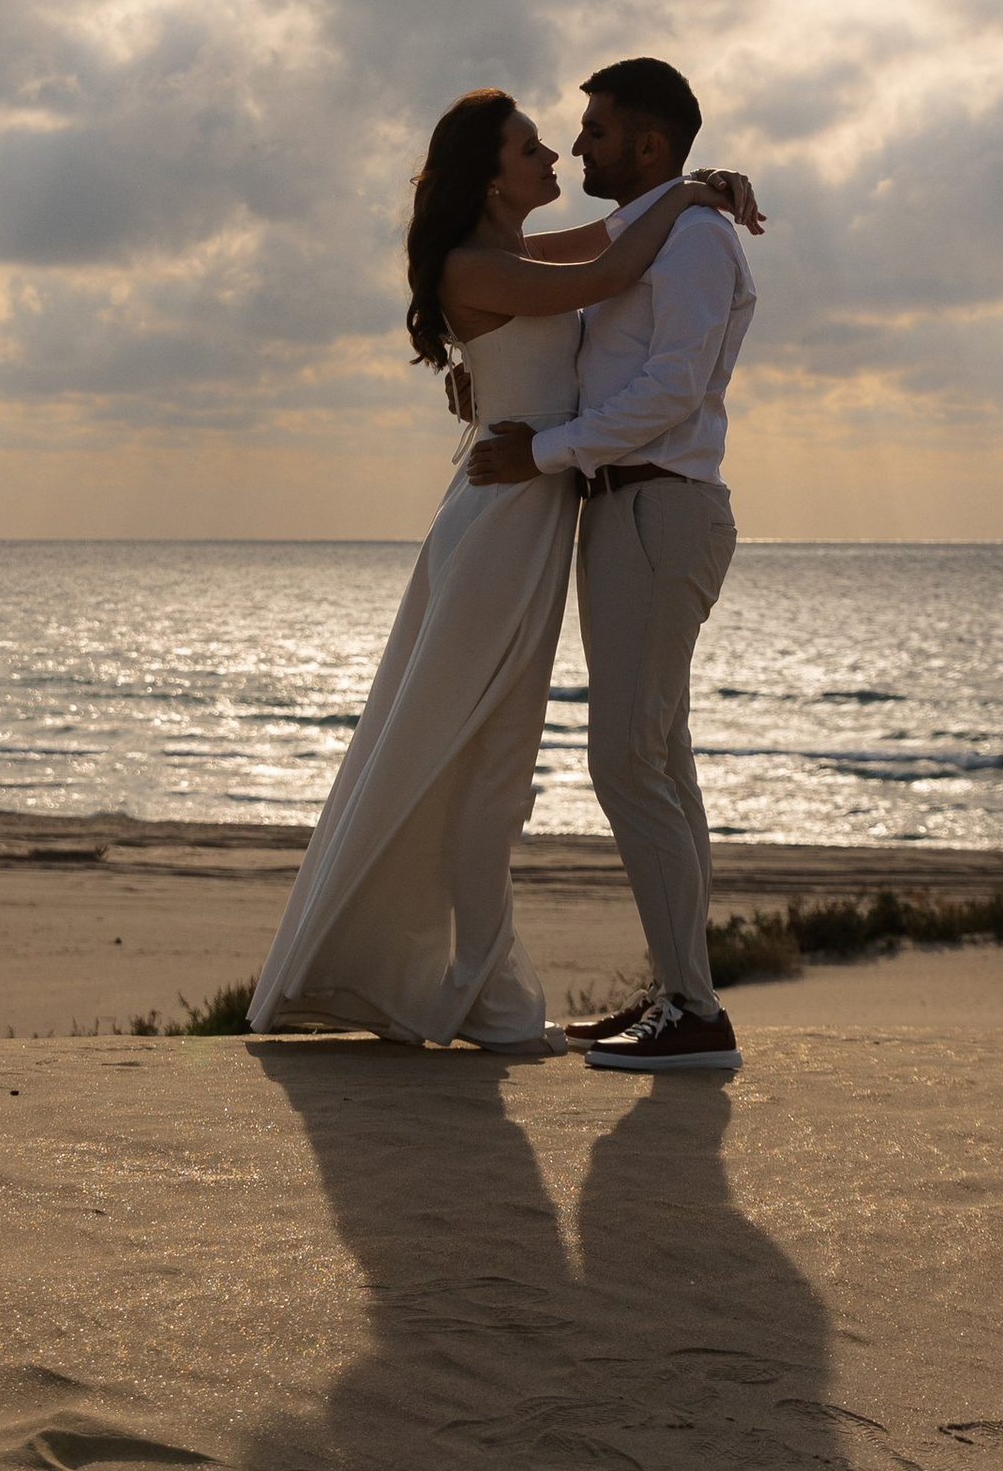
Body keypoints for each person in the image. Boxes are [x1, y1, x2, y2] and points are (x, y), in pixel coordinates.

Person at [248, 90, 749, 1050]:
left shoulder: (517, 255)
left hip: (531, 518)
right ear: (489, 175)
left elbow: (601, 247)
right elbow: (610, 265)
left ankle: (490, 990)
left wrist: (684, 196)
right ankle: (488, 997)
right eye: (531, 147)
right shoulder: (480, 263)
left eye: (568, 136)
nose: (555, 151)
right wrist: (690, 193)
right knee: (472, 754)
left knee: (494, 760)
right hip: (499, 524)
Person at [467, 55, 757, 1074]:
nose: (578, 143)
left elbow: (673, 389)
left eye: (592, 129)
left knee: (626, 762)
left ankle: (693, 1012)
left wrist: (541, 452)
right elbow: (588, 346)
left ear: (647, 142)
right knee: (659, 763)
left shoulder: (691, 242)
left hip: (655, 509)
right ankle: (683, 992)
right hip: (629, 510)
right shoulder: (654, 232)